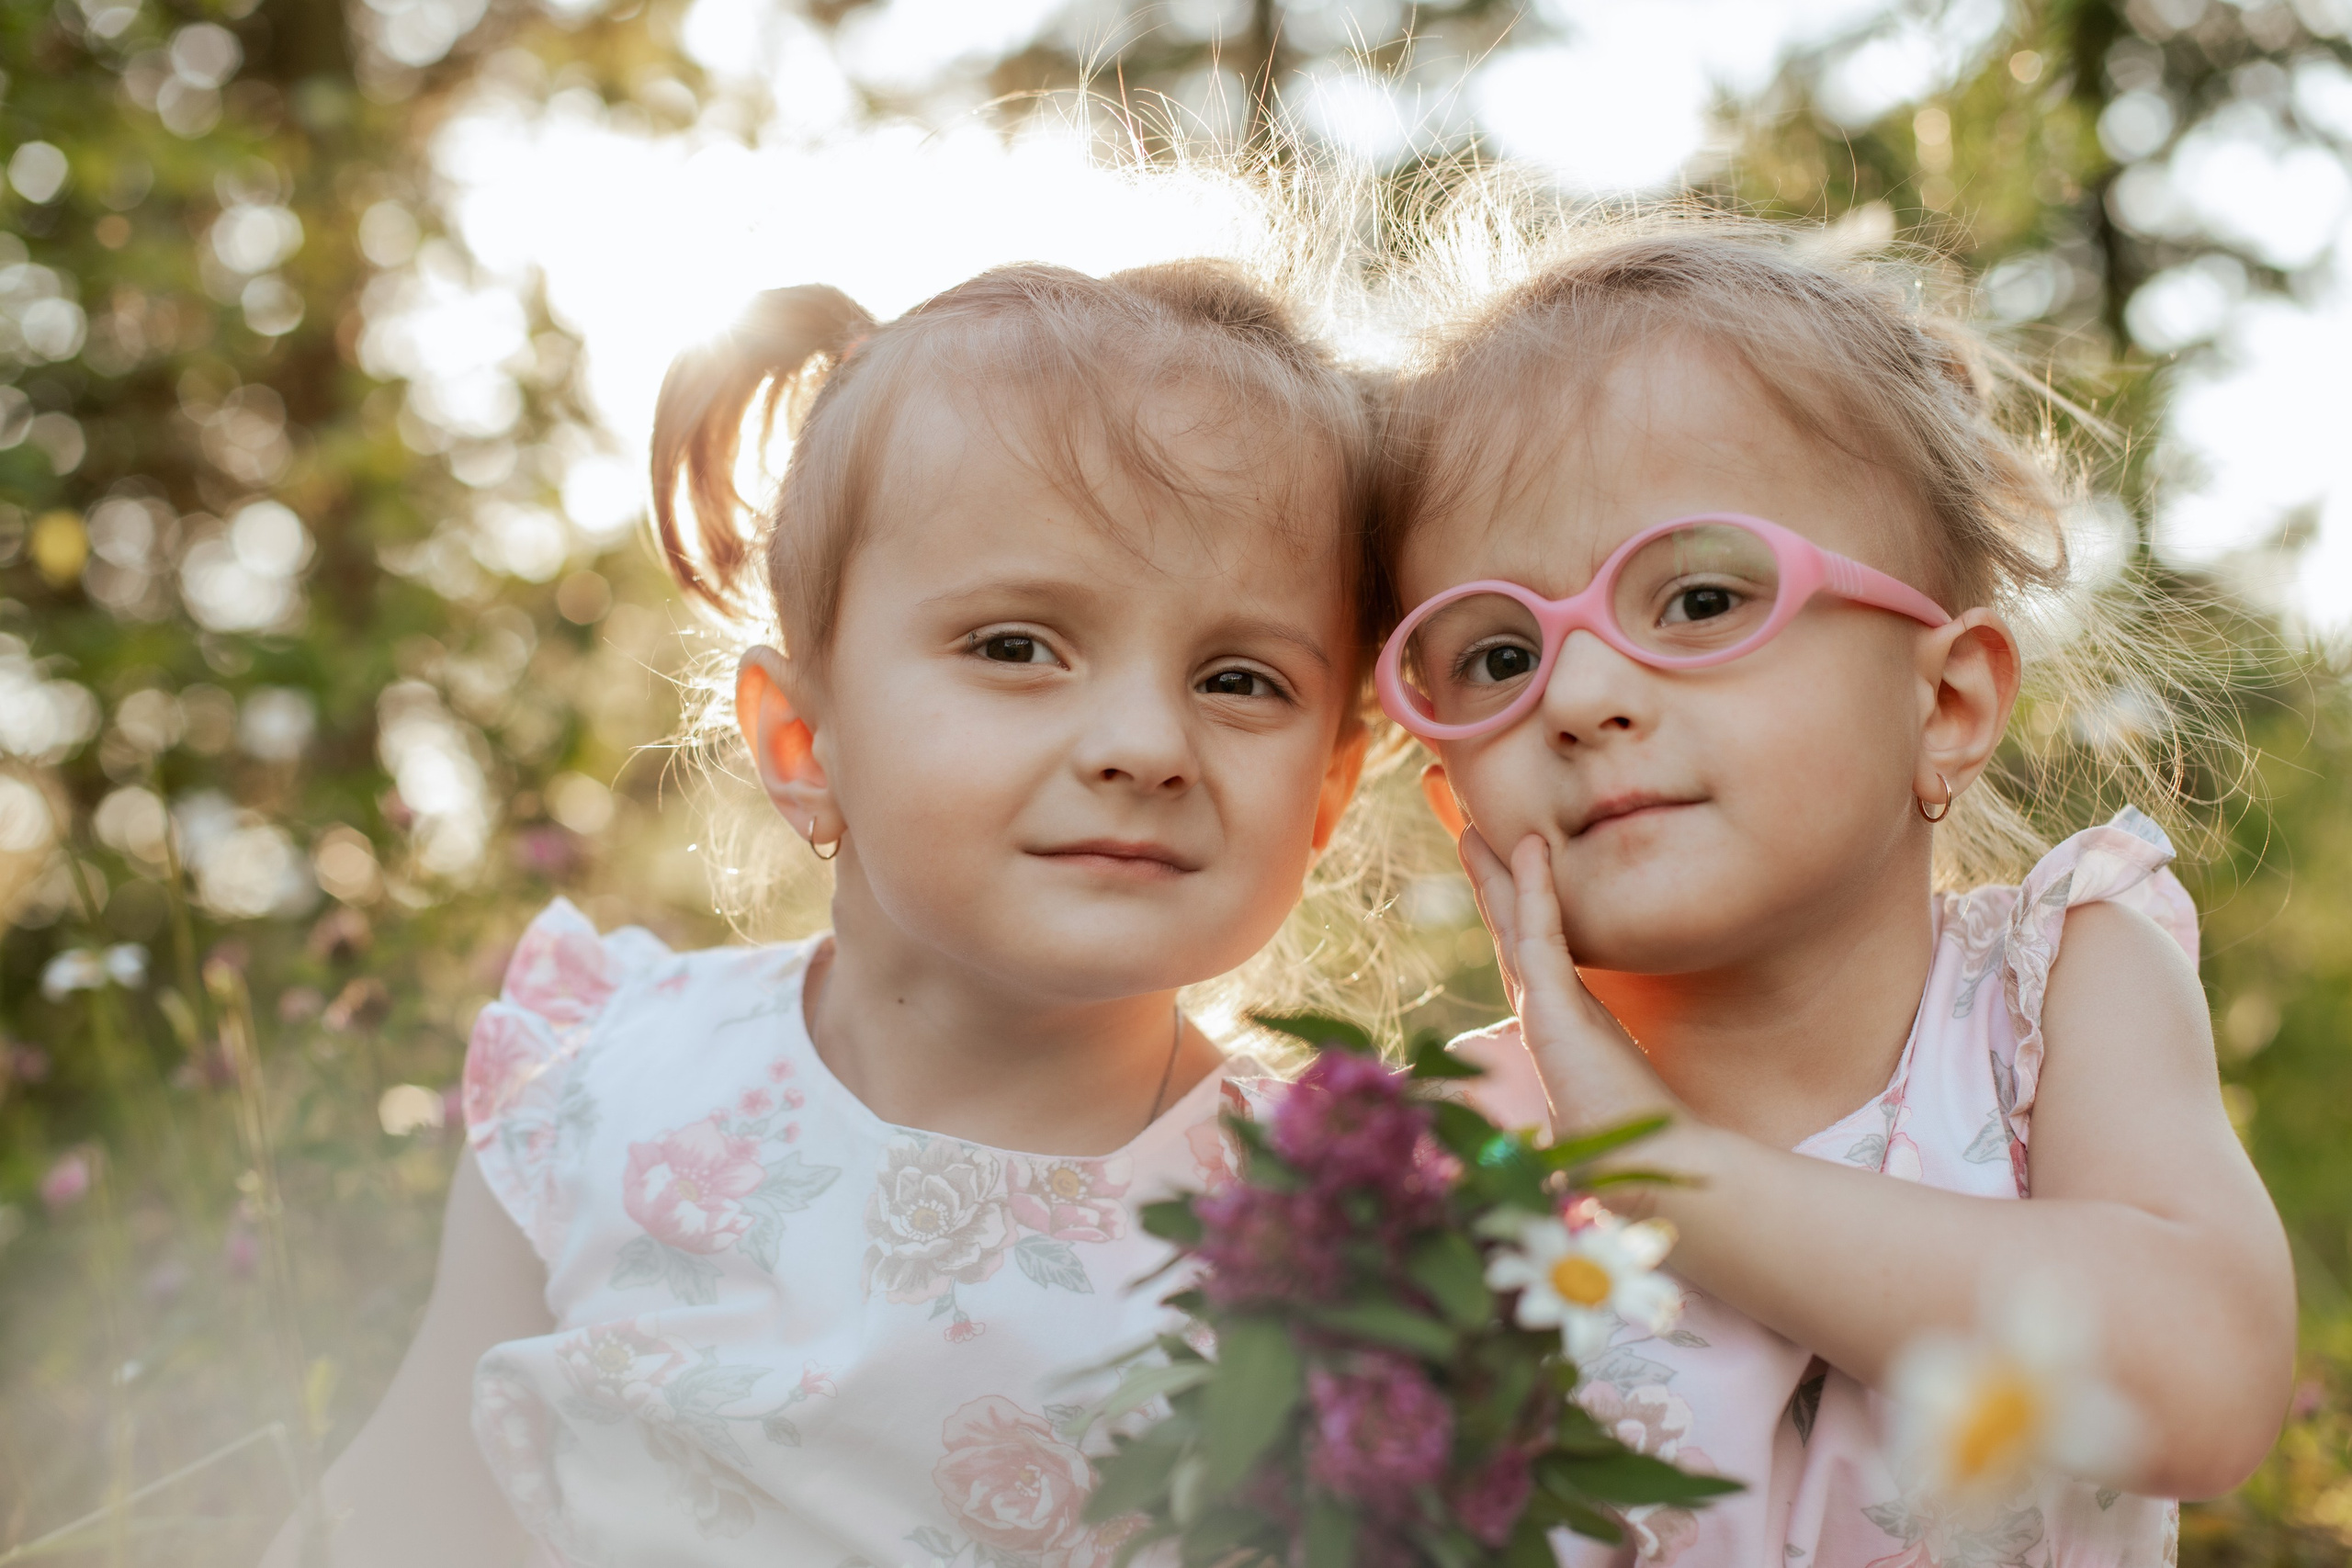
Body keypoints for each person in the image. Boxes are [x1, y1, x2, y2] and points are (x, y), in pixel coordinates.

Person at [261, 256, 1374, 1566]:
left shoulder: (1335, 1231)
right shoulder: (608, 1085)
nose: (1144, 743)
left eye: (1240, 679)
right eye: (1016, 647)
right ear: (803, 742)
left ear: (1328, 788)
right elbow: (401, 1513)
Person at [1372, 219, 2295, 1565]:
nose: (1578, 694)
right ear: (1452, 796)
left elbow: (2209, 1380)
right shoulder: (1450, 1146)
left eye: (1698, 600)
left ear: (1947, 703)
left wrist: (1662, 1176)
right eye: (1499, 657)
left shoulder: (2051, 996)